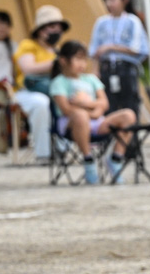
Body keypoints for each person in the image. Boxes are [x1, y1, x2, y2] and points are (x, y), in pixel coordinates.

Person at [49, 40, 137, 184]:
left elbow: (104, 103)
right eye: (78, 59)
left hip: (97, 122)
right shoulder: (59, 82)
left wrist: (85, 104)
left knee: (128, 115)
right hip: (71, 124)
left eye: (84, 60)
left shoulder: (91, 79)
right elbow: (66, 109)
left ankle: (116, 158)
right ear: (63, 61)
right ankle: (88, 159)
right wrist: (92, 110)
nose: (82, 64)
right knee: (80, 115)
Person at [13, 5, 68, 164]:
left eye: (59, 27)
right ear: (41, 30)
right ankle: (43, 154)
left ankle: (63, 147)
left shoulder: (57, 51)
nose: (56, 31)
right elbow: (28, 69)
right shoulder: (28, 45)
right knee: (41, 103)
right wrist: (56, 64)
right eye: (52, 26)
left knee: (68, 98)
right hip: (27, 92)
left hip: (53, 91)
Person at [89, 0, 149, 115]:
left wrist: (110, 47)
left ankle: (131, 128)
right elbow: (95, 50)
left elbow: (136, 48)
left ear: (124, 0)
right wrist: (95, 70)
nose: (109, 3)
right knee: (108, 106)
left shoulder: (132, 21)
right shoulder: (101, 22)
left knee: (129, 105)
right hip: (106, 69)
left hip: (126, 69)